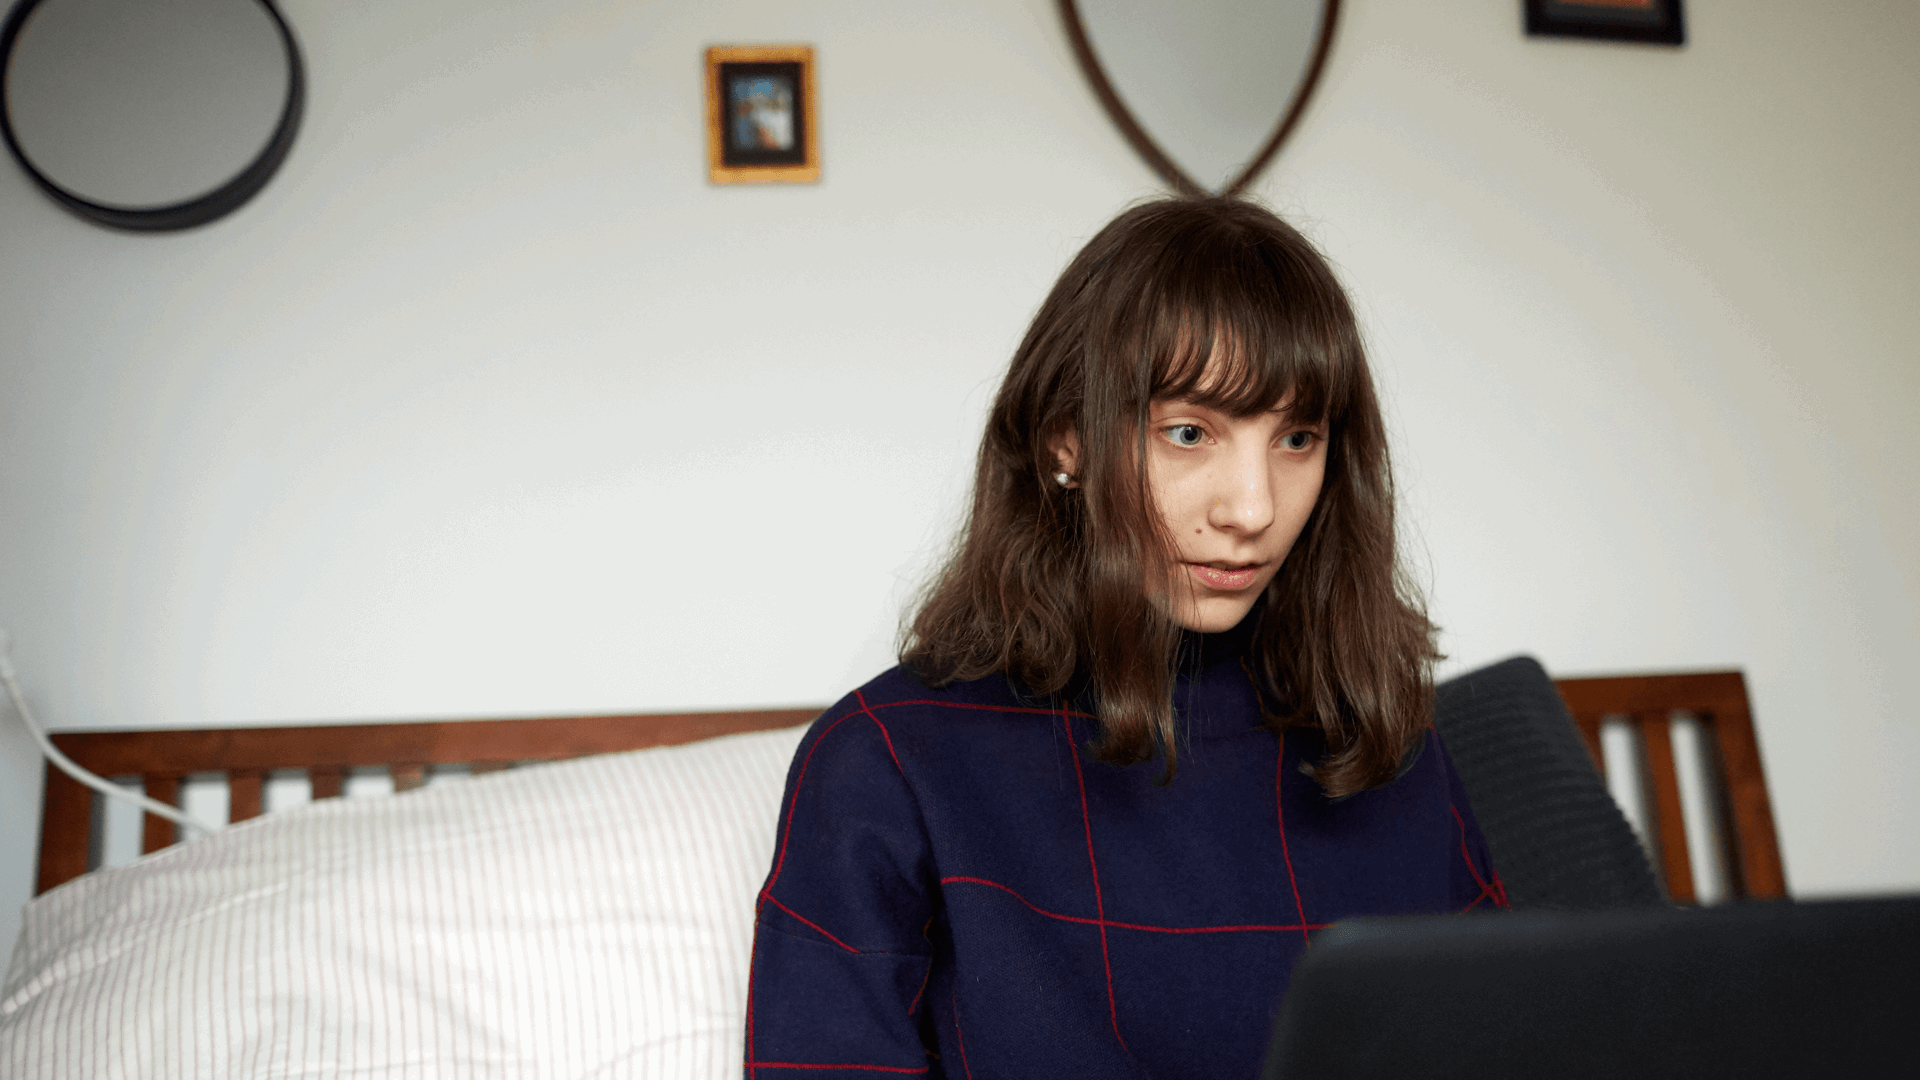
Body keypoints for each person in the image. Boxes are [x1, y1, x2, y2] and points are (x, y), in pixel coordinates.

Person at [744, 197, 1505, 1079]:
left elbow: (1514, 1044)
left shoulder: (1382, 734)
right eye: (1189, 433)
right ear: (1065, 440)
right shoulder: (888, 760)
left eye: (1298, 438)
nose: (1252, 509)